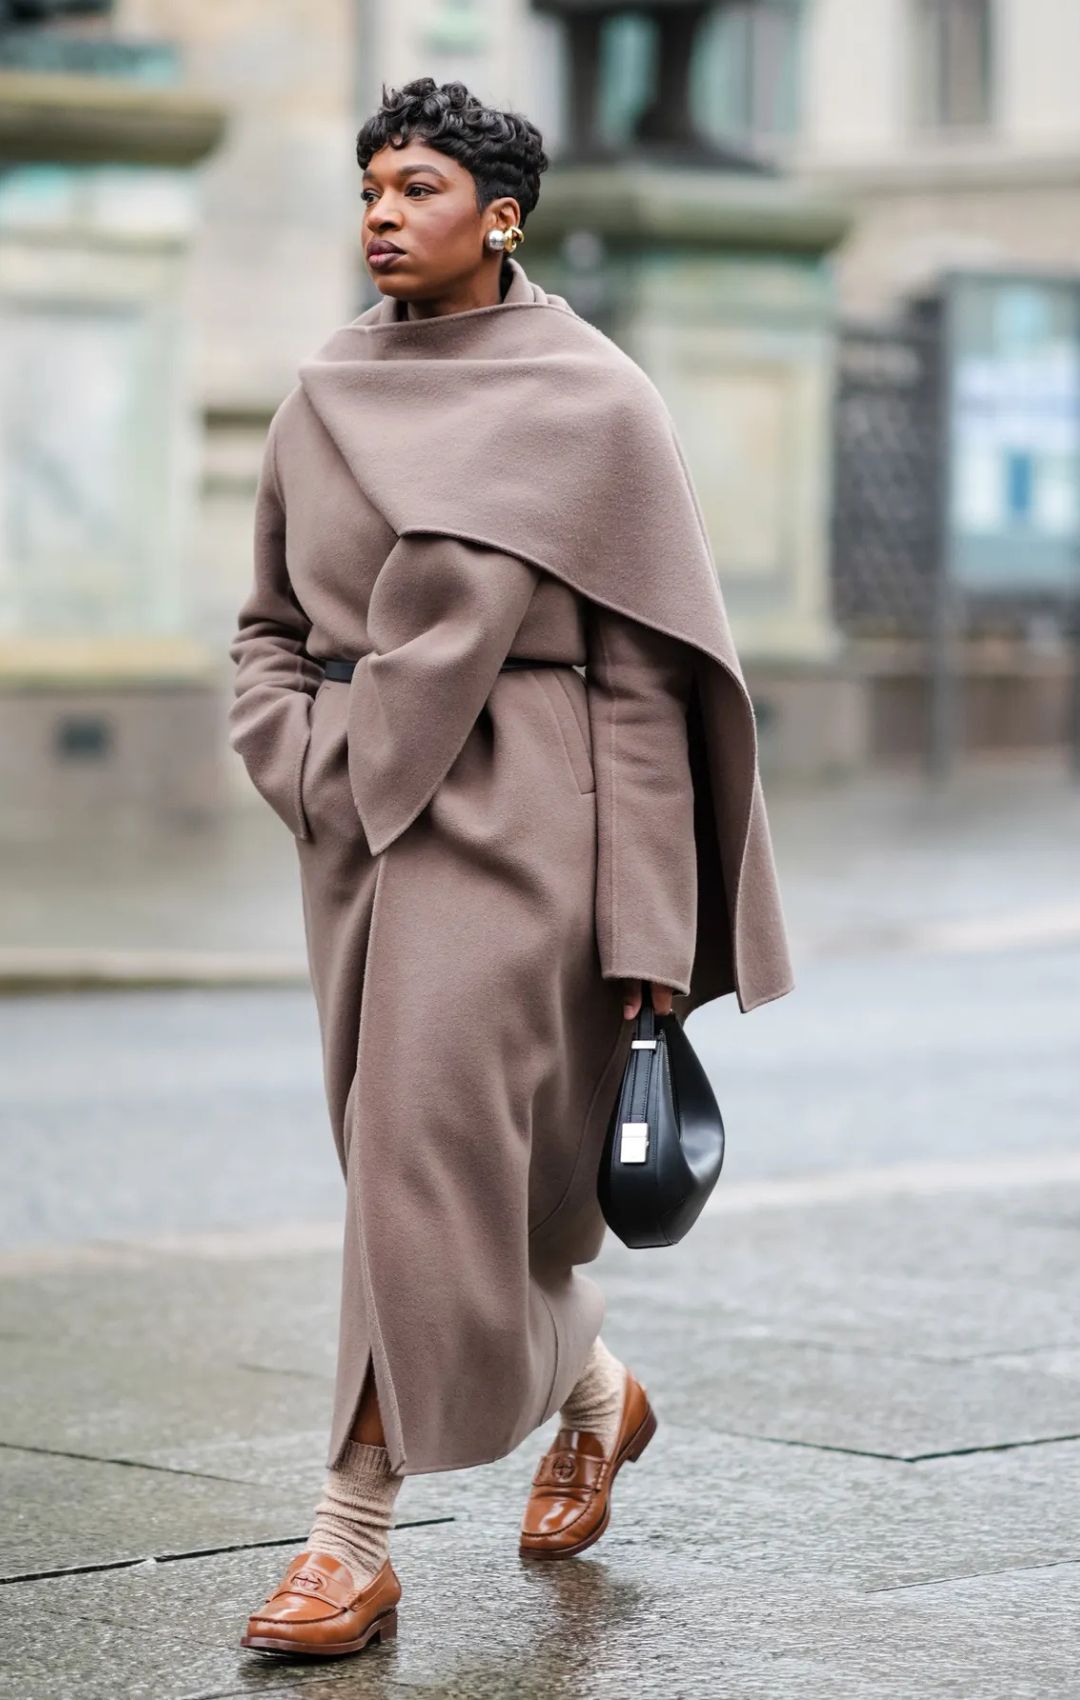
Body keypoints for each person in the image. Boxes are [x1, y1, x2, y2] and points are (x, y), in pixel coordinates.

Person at [229, 76, 793, 1658]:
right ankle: (599, 1391)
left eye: (415, 188)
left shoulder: (592, 401)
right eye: (367, 190)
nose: (381, 216)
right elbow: (266, 632)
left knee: (416, 1170)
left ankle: (348, 1540)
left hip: (529, 833)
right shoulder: (320, 391)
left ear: (501, 215)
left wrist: (650, 931)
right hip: (358, 837)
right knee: (415, 1185)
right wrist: (301, 763)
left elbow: (641, 692)